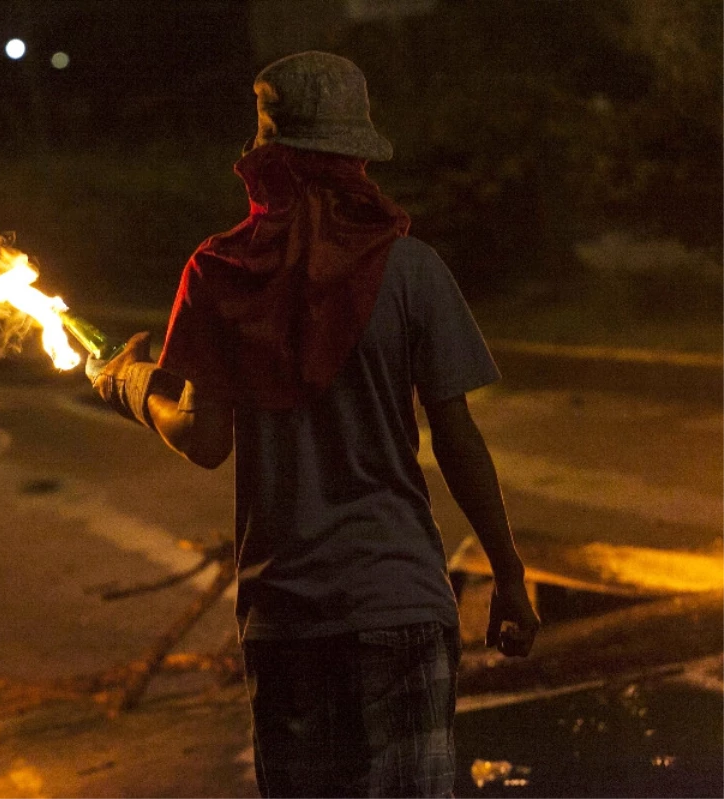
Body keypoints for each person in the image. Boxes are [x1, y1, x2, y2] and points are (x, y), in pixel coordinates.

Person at [86, 51, 540, 797]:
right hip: (403, 607)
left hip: (288, 620)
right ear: (357, 156)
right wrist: (510, 577)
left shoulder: (217, 272)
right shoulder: (412, 270)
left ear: (265, 155)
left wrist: (132, 385)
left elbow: (204, 439)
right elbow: (457, 438)